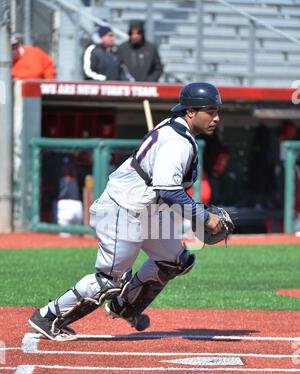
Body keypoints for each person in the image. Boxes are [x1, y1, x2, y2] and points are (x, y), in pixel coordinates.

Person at [28, 82, 223, 341]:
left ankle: (125, 306)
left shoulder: (176, 130)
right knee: (110, 280)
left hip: (147, 210)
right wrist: (205, 217)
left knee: (176, 260)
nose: (216, 117)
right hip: (123, 209)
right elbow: (169, 192)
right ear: (190, 112)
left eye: (216, 111)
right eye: (210, 111)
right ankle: (49, 316)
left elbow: (168, 192)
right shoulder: (177, 143)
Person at [55, 157, 83, 237]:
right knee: (65, 237)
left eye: (70, 166)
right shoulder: (59, 178)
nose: (68, 168)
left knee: (75, 237)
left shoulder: (79, 176)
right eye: (66, 166)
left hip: (76, 204)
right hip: (65, 204)